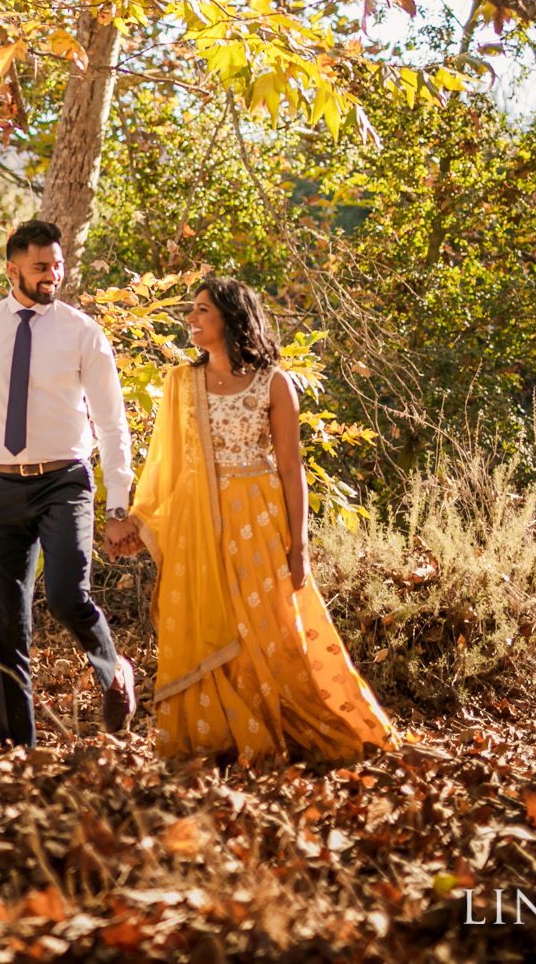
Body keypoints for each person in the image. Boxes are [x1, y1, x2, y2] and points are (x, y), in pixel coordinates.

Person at [106, 277, 397, 765]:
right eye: (191, 311)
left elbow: (290, 467)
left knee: (268, 626)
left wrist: (299, 542)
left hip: (258, 520)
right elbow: (164, 466)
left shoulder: (273, 382)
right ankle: (214, 736)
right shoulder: (181, 383)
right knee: (208, 619)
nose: (191, 320)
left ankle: (282, 725)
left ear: (231, 319)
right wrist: (139, 522)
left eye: (202, 311)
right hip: (198, 523)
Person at [0, 219, 140, 745]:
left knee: (67, 595)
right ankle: (15, 751)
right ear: (12, 269)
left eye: (58, 265)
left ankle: (113, 669)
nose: (54, 274)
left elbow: (112, 421)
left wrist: (117, 503)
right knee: (6, 623)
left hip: (64, 484)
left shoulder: (81, 332)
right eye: (41, 267)